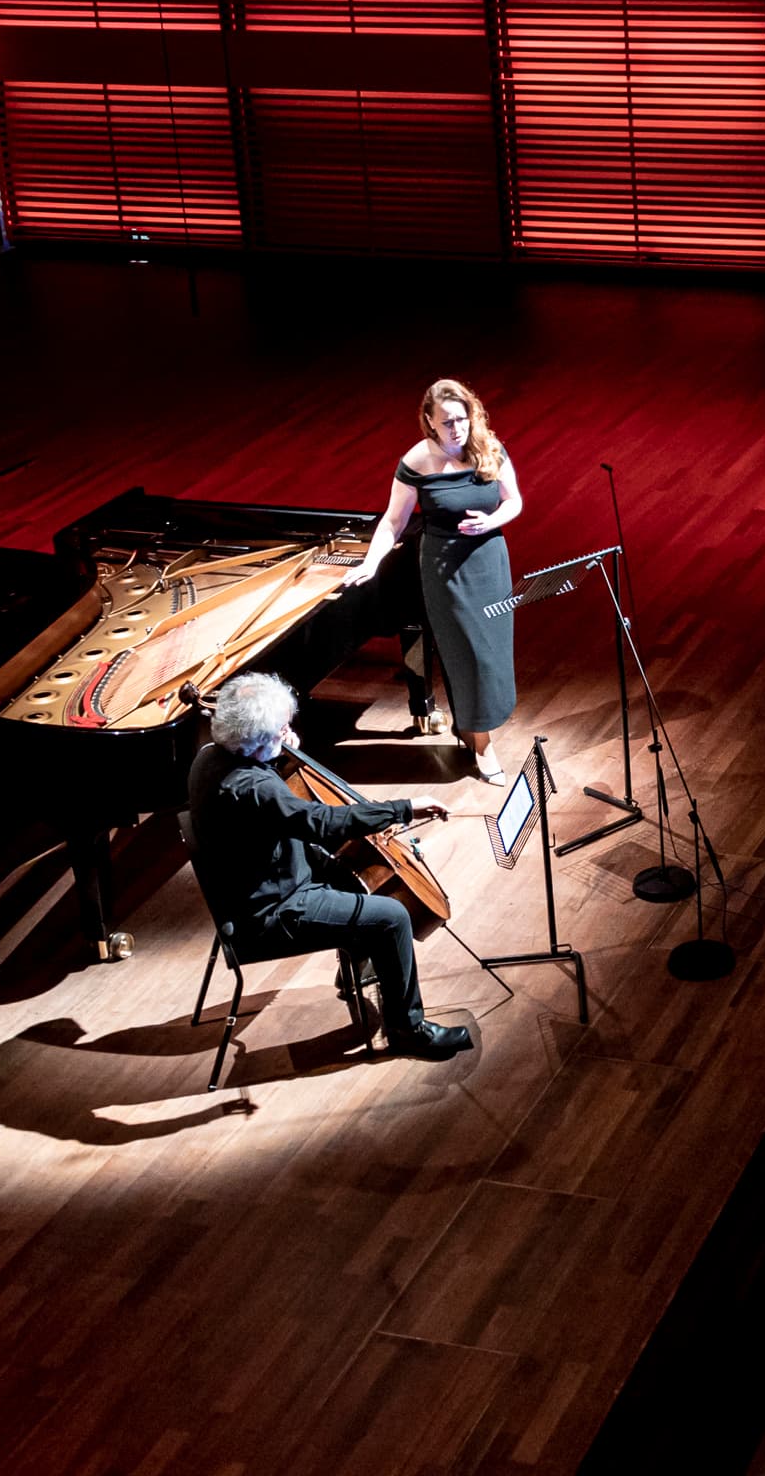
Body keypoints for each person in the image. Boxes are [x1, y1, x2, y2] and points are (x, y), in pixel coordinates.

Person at [184, 671, 467, 1061]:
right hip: (272, 911)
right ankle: (408, 1029)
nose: (288, 732)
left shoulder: (210, 756)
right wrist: (403, 808)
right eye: (280, 728)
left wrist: (275, 747)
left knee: (352, 872)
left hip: (255, 877)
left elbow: (279, 810)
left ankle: (362, 953)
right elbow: (322, 822)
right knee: (394, 915)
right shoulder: (256, 789)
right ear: (253, 738)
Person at [341, 377, 524, 781]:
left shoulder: (489, 447)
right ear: (429, 421)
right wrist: (373, 562)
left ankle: (474, 727)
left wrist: (491, 521)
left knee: (491, 654)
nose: (457, 429)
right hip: (446, 571)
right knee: (468, 655)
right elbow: (393, 520)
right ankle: (482, 744)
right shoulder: (417, 462)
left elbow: (515, 501)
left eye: (461, 419)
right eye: (447, 422)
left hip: (489, 562)